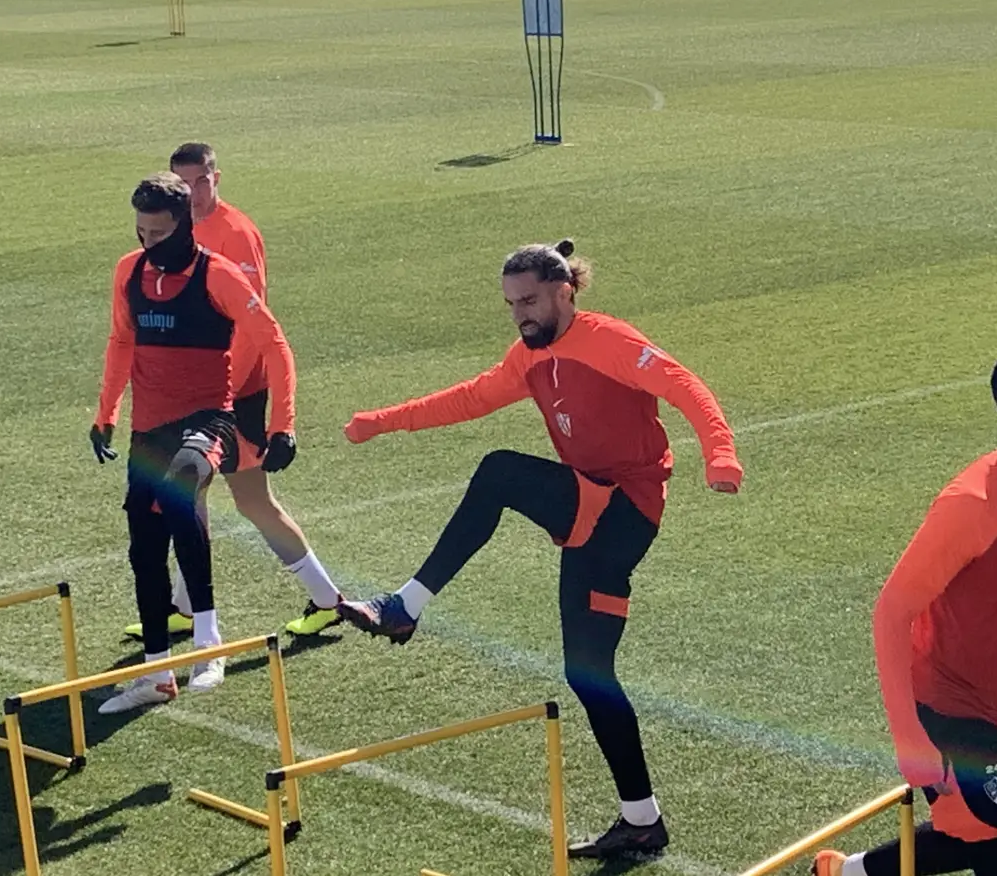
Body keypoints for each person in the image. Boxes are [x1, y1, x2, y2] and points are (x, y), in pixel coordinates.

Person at [338, 240, 742, 860]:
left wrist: (720, 453)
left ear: (565, 292)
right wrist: (384, 420)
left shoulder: (607, 341)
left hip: (625, 508)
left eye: (529, 301)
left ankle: (405, 607)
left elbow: (686, 387)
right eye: (510, 304)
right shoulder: (527, 357)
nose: (519, 314)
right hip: (590, 513)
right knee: (589, 675)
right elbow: (469, 398)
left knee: (500, 472)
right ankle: (642, 821)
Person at [812, 344, 997, 876]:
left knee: (976, 830)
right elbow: (892, 612)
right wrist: (909, 739)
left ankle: (844, 873)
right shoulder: (971, 505)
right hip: (944, 702)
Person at [90, 173, 301, 713]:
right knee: (144, 540)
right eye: (140, 232)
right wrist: (105, 413)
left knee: (185, 485)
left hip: (208, 419)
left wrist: (284, 424)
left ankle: (210, 646)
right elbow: (120, 341)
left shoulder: (219, 276)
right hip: (148, 428)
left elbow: (275, 345)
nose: (147, 243)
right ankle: (158, 673)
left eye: (158, 234)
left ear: (185, 226)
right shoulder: (128, 272)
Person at [119, 143, 344, 642]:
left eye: (201, 181)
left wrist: (219, 397)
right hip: (203, 397)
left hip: (233, 394)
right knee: (189, 494)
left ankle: (327, 600)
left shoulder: (235, 234)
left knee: (250, 501)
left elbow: (250, 326)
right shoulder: (176, 233)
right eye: (184, 183)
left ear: (217, 177)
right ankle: (185, 607)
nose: (194, 192)